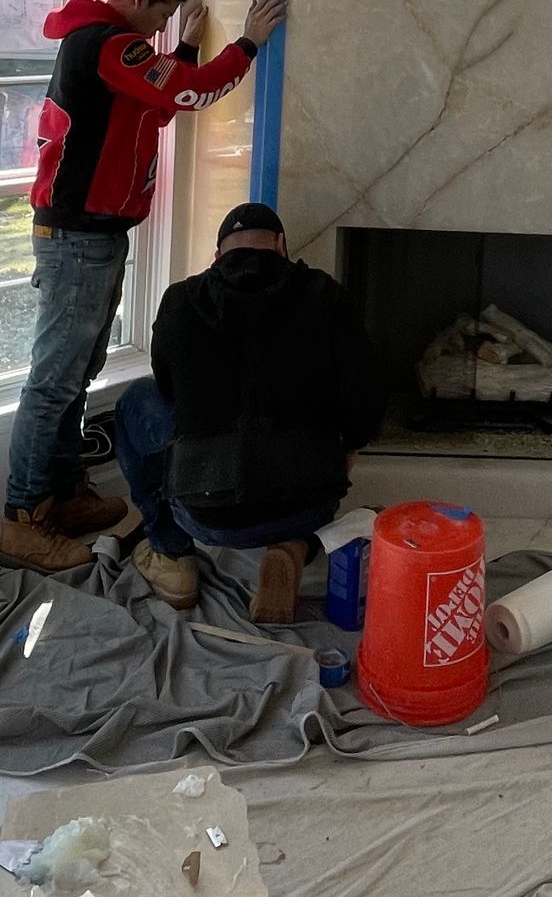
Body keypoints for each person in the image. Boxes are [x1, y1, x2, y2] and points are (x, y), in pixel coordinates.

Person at [0, 0, 286, 573]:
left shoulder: (108, 49)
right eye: (161, 15)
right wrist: (249, 44)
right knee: (53, 380)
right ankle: (21, 519)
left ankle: (66, 493)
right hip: (79, 237)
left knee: (77, 370)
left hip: (92, 236)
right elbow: (194, 91)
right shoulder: (109, 44)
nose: (160, 29)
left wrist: (180, 48)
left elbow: (159, 105)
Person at [113, 201, 386, 625]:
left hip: (204, 514)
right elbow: (367, 397)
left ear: (218, 256)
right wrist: (344, 454)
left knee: (137, 400)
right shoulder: (325, 294)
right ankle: (293, 546)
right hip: (307, 503)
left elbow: (167, 387)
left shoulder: (181, 300)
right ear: (281, 246)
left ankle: (172, 555)